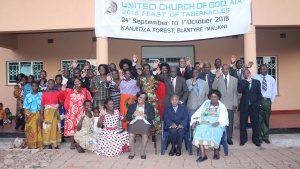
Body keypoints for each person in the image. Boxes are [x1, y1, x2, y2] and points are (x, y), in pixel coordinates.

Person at [191, 90, 229, 162]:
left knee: (215, 129)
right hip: (204, 122)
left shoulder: (222, 106)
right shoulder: (206, 103)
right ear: (209, 97)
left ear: (218, 97)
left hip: (217, 123)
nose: (213, 98)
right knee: (199, 129)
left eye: (215, 97)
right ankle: (203, 155)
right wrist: (194, 121)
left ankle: (216, 152)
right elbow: (198, 113)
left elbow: (224, 117)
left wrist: (218, 122)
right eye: (212, 96)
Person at [212, 64, 238, 145]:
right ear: (222, 70)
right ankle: (221, 137)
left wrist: (235, 103)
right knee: (220, 122)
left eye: (227, 69)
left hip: (230, 104)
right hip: (220, 104)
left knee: (229, 122)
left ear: (229, 69)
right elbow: (213, 87)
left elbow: (235, 93)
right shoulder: (218, 78)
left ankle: (229, 138)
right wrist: (216, 78)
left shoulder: (234, 79)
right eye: (223, 69)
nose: (225, 70)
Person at [64, 78, 93, 149]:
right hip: (71, 113)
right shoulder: (70, 91)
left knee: (80, 128)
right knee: (71, 128)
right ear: (73, 83)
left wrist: (86, 111)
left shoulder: (85, 90)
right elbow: (66, 102)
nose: (77, 82)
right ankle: (72, 144)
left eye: (78, 81)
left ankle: (79, 144)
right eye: (75, 81)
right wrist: (68, 111)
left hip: (81, 113)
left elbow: (89, 100)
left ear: (81, 82)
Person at [126, 92, 155, 159]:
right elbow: (127, 117)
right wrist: (133, 115)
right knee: (131, 134)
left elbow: (153, 116)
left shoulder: (149, 106)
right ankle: (132, 152)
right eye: (140, 97)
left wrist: (145, 115)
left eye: (143, 98)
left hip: (145, 122)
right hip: (134, 122)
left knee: (145, 135)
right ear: (137, 97)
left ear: (145, 100)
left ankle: (142, 152)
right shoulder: (132, 106)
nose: (141, 99)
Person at [252, 64, 277, 144]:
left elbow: (274, 92)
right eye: (261, 69)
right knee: (259, 120)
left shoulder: (272, 79)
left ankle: (265, 136)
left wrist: (271, 102)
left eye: (264, 69)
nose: (262, 70)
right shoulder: (255, 77)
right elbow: (245, 76)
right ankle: (259, 137)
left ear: (267, 69)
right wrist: (247, 68)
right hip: (259, 100)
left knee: (266, 119)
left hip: (267, 101)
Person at [238, 69, 262, 147]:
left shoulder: (256, 82)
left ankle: (256, 140)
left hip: (254, 106)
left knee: (255, 124)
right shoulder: (241, 82)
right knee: (243, 124)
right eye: (245, 73)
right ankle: (243, 140)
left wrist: (258, 103)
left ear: (250, 73)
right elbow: (239, 90)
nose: (246, 74)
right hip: (244, 106)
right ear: (243, 75)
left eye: (248, 73)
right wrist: (246, 82)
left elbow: (259, 93)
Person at [137, 64, 161, 135]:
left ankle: (157, 130)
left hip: (153, 99)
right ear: (143, 70)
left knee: (155, 114)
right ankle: (146, 130)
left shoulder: (154, 77)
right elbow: (138, 84)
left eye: (147, 68)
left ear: (150, 69)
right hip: (144, 100)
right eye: (144, 69)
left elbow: (156, 86)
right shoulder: (142, 78)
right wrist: (138, 75)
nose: (146, 70)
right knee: (145, 114)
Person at [41, 79, 63, 149]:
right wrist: (41, 115)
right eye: (49, 83)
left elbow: (62, 101)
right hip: (47, 113)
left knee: (56, 127)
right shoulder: (44, 93)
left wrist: (57, 106)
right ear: (47, 84)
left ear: (54, 84)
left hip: (55, 113)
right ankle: (49, 143)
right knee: (48, 127)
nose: (51, 85)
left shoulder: (57, 93)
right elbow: (42, 105)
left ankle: (55, 143)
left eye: (52, 83)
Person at [23, 82, 44, 149]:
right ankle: (31, 144)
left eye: (36, 86)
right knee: (30, 130)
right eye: (33, 86)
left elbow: (42, 106)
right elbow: (25, 107)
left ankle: (39, 144)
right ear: (31, 87)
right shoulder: (28, 95)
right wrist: (26, 117)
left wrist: (41, 116)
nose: (34, 87)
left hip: (38, 114)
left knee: (38, 130)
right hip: (30, 115)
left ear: (38, 87)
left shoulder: (41, 95)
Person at [54, 75, 67, 142]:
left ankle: (62, 136)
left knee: (63, 121)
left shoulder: (64, 87)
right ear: (55, 80)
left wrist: (62, 103)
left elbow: (66, 96)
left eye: (60, 79)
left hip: (63, 106)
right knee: (56, 121)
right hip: (55, 106)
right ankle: (57, 136)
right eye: (57, 79)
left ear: (61, 80)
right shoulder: (53, 87)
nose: (58, 80)